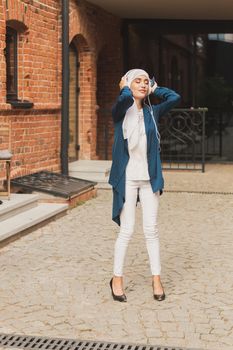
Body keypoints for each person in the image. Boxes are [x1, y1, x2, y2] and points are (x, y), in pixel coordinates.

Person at [108, 69, 181, 302]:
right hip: (127, 177)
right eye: (137, 81)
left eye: (145, 81)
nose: (142, 84)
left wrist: (155, 89)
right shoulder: (121, 112)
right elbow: (121, 102)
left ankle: (156, 278)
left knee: (151, 230)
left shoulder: (153, 111)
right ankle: (117, 279)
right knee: (127, 230)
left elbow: (175, 98)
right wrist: (124, 90)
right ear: (128, 84)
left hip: (149, 178)